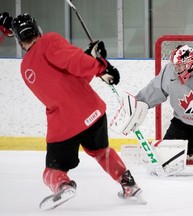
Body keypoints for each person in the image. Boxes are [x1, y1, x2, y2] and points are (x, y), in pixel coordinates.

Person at [0, 12, 146, 209]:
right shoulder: (49, 40)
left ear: (18, 40)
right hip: (93, 113)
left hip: (65, 124)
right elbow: (73, 65)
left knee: (52, 170)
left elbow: (65, 78)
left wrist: (91, 61)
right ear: (38, 29)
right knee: (102, 152)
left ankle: (63, 184)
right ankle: (130, 186)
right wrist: (100, 65)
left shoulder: (25, 68)